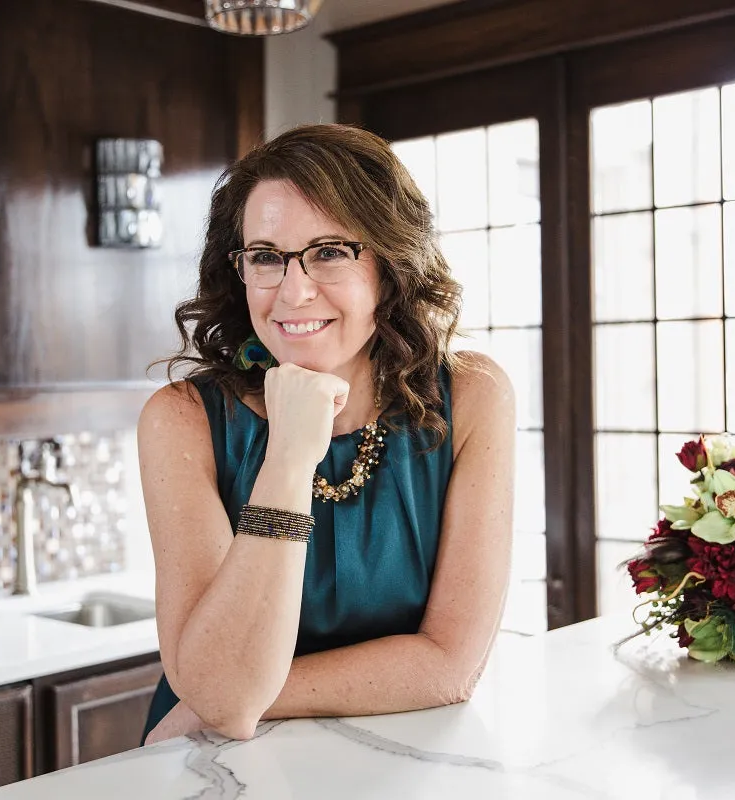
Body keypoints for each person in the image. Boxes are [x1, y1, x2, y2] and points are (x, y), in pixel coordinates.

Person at [138, 123, 514, 744]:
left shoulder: (473, 396)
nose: (293, 291)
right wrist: (288, 456)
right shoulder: (181, 419)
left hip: (398, 759)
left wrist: (236, 694)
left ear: (389, 266)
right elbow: (223, 701)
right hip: (218, 769)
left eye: (330, 252)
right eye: (265, 257)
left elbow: (451, 664)